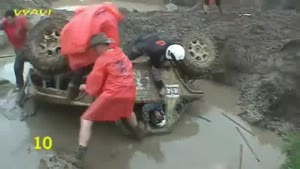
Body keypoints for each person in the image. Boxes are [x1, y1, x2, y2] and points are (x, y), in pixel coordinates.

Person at [62, 33, 144, 168]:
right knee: (128, 111)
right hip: (129, 90)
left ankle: (79, 157)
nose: (94, 51)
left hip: (114, 93)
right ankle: (139, 134)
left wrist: (81, 86)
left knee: (86, 119)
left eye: (95, 48)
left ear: (101, 46)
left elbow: (93, 88)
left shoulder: (102, 60)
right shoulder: (122, 55)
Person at [59, 2, 125, 99]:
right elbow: (112, 37)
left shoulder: (98, 11)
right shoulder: (110, 17)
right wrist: (114, 51)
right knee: (96, 68)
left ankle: (72, 92)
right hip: (90, 44)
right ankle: (93, 94)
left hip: (77, 40)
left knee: (80, 66)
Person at [0, 10, 28, 90]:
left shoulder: (22, 21)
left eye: (11, 19)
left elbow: (32, 30)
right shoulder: (4, 23)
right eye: (7, 20)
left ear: (15, 18)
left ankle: (21, 85)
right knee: (19, 66)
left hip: (27, 46)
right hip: (17, 47)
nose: (9, 22)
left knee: (17, 66)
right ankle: (20, 85)